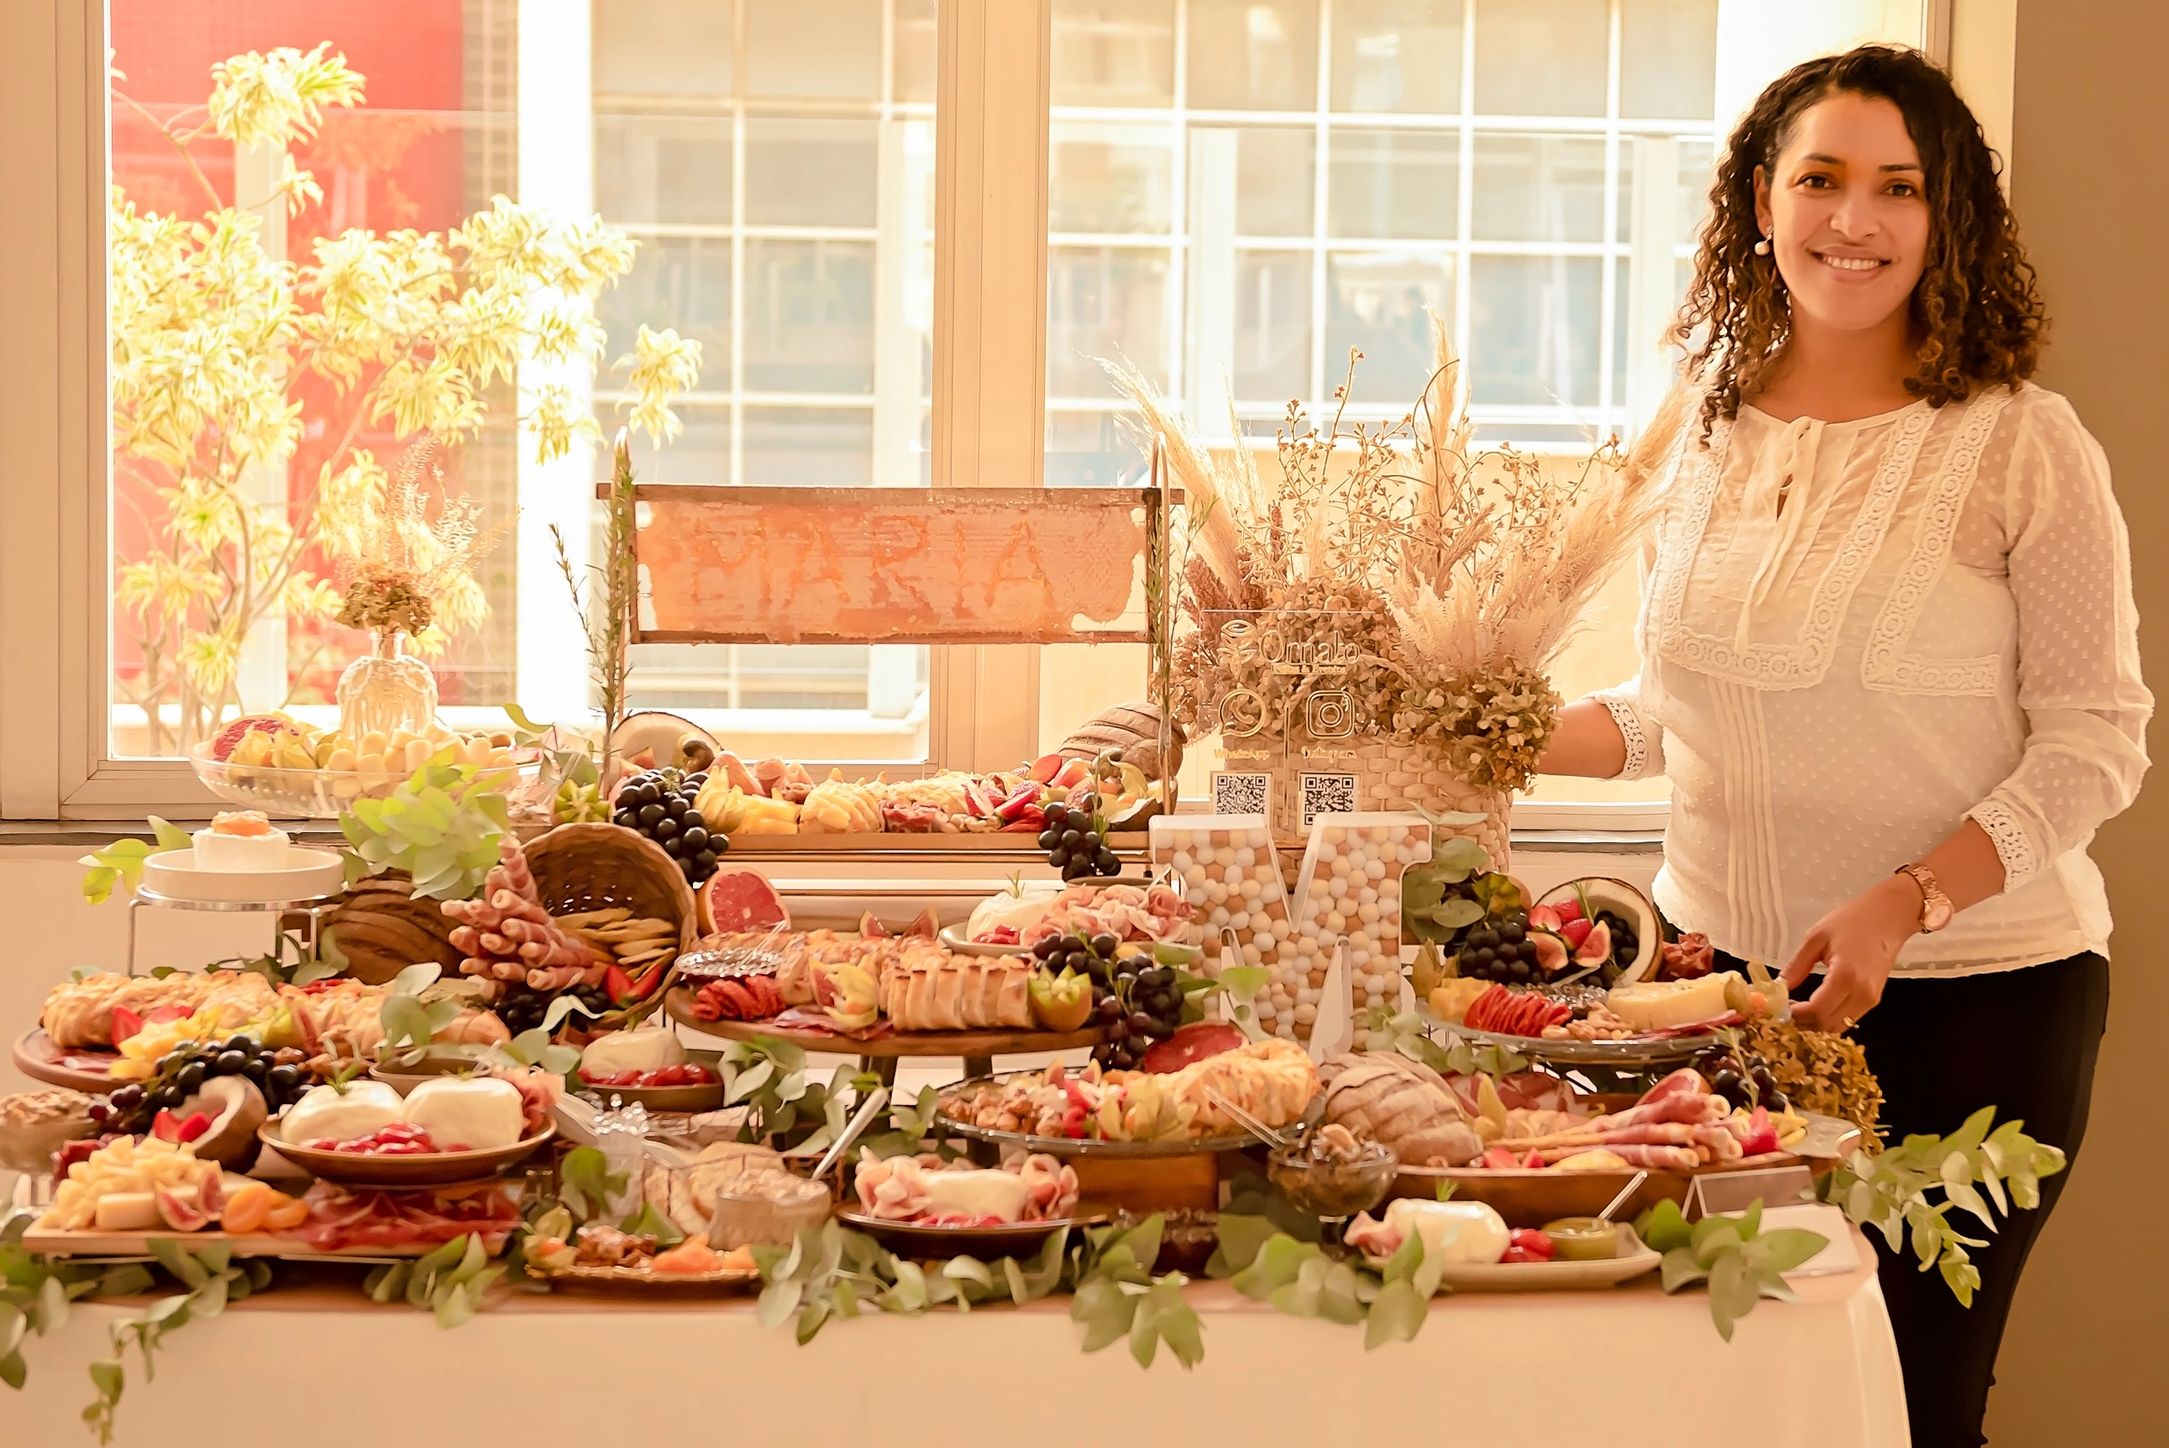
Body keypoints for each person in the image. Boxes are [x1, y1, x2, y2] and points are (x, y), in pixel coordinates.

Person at [1536, 45, 2150, 1448]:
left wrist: (1905, 899)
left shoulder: (2021, 446)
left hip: (1976, 1004)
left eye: (1897, 189)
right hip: (1718, 1007)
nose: (1850, 223)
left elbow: (2094, 743)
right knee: (1731, 1400)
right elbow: (1669, 710)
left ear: (1949, 224)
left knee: (1910, 1409)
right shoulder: (1701, 437)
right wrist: (1489, 731)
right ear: (1760, 200)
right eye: (1818, 180)